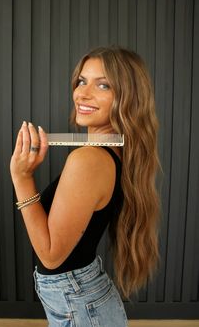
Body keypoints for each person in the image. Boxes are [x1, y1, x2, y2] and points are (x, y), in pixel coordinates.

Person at [10, 46, 161, 326]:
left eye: (103, 85)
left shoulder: (89, 159)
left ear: (128, 97)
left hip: (79, 305)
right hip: (83, 297)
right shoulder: (108, 151)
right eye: (81, 81)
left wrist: (21, 178)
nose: (83, 93)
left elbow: (52, 256)